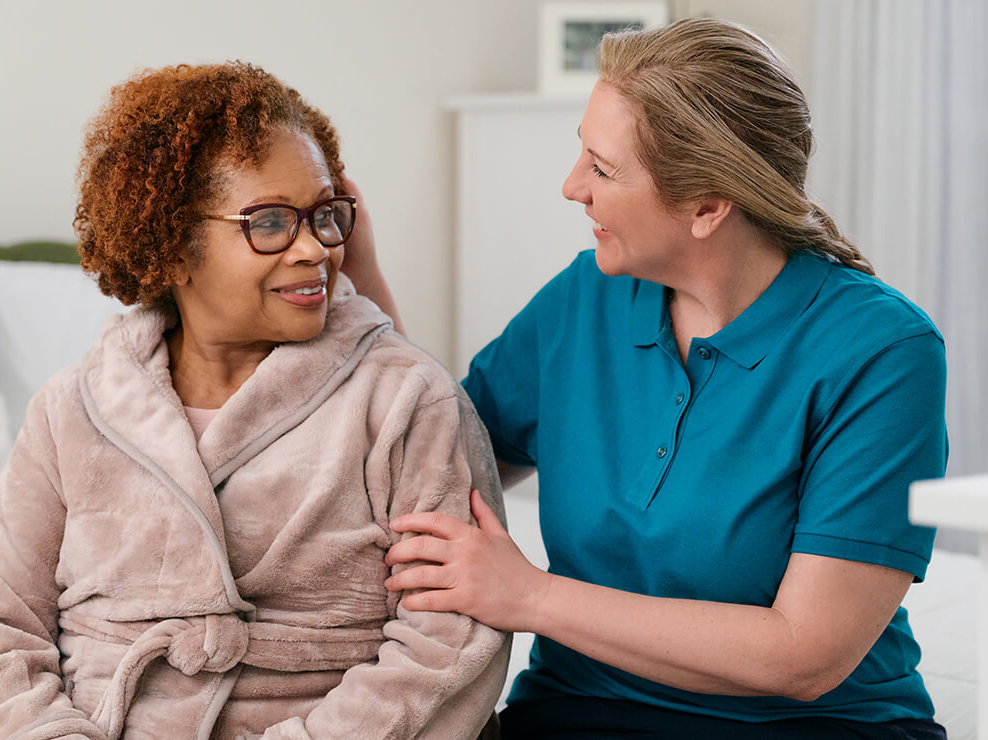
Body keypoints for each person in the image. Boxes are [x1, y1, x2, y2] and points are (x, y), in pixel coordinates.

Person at [348, 17, 949, 740]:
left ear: (707, 206)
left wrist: (531, 597)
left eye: (602, 169)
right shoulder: (586, 297)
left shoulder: (882, 351)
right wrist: (360, 273)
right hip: (572, 716)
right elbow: (430, 456)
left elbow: (806, 655)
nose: (572, 187)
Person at [0, 62, 508, 740]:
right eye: (268, 222)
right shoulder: (72, 411)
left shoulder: (407, 399)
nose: (313, 249)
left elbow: (449, 643)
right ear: (173, 247)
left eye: (325, 216)